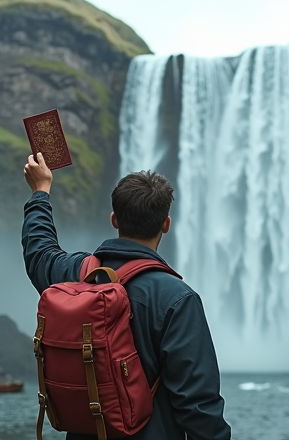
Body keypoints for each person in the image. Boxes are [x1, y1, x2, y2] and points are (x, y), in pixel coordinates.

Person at [22, 153, 232, 440]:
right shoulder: (178, 299)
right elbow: (198, 406)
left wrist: (40, 192)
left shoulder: (75, 274)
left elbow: (39, 251)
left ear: (114, 219)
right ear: (166, 224)